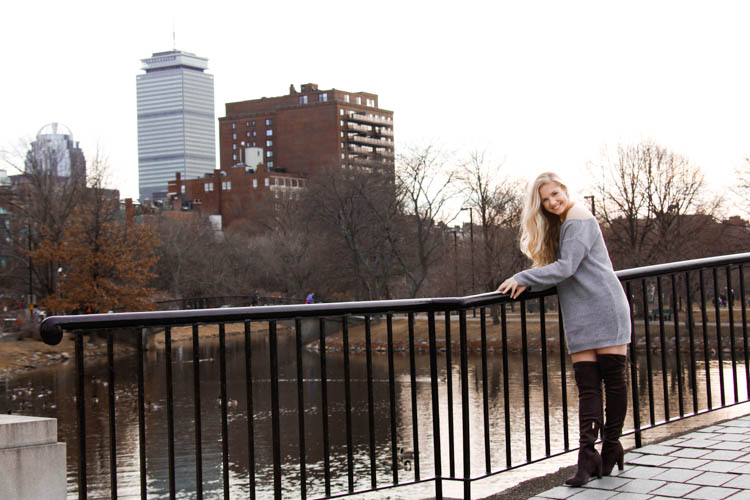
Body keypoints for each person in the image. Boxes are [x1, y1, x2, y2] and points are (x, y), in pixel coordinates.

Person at [498, 172, 631, 487]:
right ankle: (588, 456)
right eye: (545, 199)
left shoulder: (579, 218)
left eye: (556, 194)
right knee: (588, 388)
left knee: (613, 382)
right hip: (580, 312)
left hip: (605, 305)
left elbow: (567, 266)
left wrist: (523, 277)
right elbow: (567, 268)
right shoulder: (564, 223)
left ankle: (610, 446)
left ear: (565, 190)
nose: (553, 201)